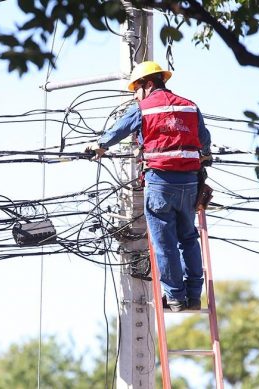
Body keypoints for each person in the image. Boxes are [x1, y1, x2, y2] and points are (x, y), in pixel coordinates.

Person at [85, 61, 212, 312]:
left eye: (136, 89)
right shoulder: (190, 105)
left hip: (161, 182)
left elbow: (116, 132)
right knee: (188, 237)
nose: (135, 95)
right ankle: (194, 295)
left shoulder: (142, 108)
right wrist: (204, 156)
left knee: (165, 243)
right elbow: (205, 140)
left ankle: (175, 297)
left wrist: (97, 146)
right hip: (189, 182)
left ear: (149, 84)